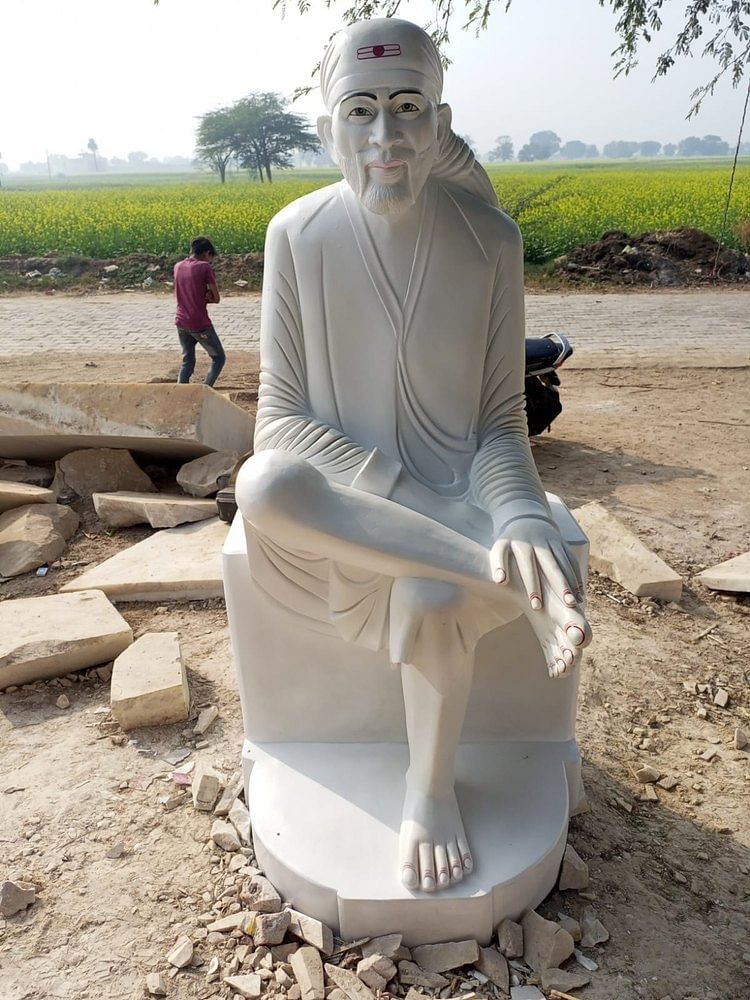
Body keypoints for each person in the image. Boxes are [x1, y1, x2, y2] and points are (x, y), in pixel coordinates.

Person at [236, 18, 592, 894]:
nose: (385, 138)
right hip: (345, 516)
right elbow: (278, 423)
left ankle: (429, 791)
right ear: (329, 131)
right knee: (265, 482)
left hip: (461, 497)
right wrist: (476, 536)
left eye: (407, 110)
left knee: (433, 594)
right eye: (360, 112)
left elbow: (501, 423)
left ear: (439, 120)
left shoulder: (489, 243)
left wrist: (514, 513)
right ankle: (506, 581)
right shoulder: (299, 236)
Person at [174, 236, 226, 387]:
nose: (210, 261)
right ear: (206, 253)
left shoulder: (178, 266)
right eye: (211, 258)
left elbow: (186, 292)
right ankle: (205, 390)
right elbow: (216, 298)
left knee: (187, 361)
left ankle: (180, 393)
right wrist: (208, 297)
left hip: (181, 321)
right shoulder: (204, 267)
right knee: (218, 358)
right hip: (199, 323)